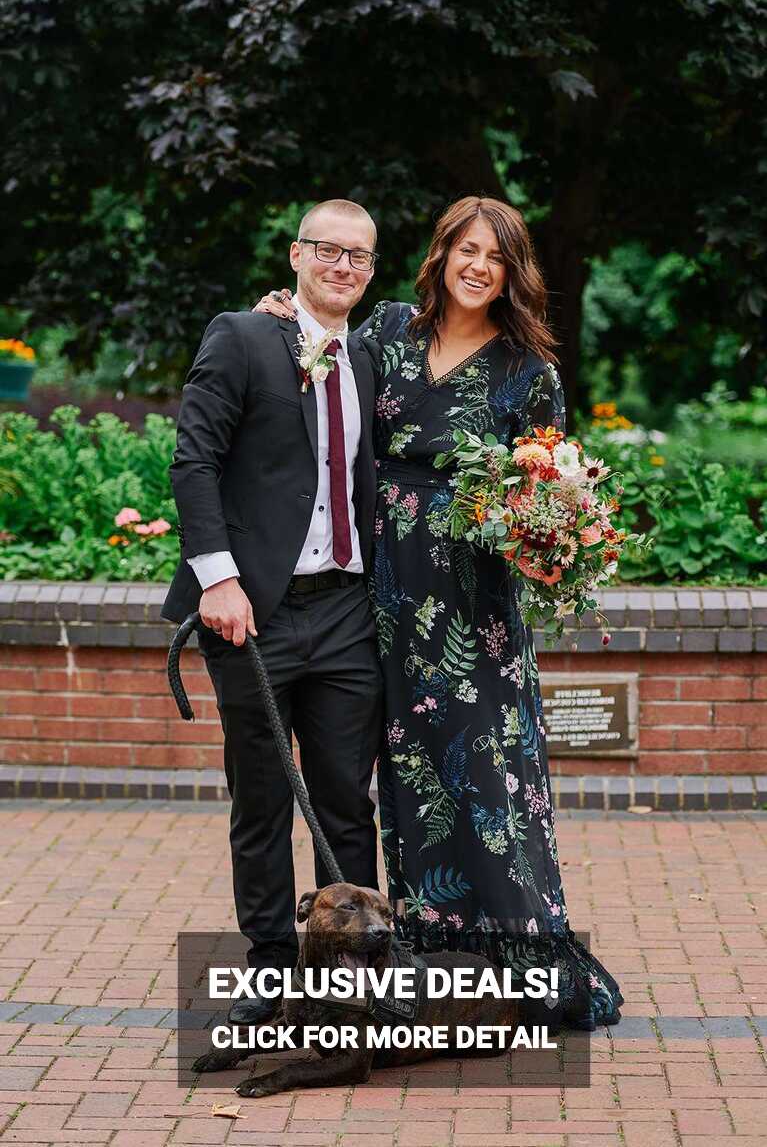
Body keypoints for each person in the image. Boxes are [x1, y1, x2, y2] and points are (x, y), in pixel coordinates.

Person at [256, 195, 623, 1031]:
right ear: (441, 255)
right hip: (376, 593)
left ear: (511, 271)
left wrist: (551, 541)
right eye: (464, 248)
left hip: (472, 609)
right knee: (406, 777)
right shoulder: (387, 330)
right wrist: (280, 312)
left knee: (485, 778)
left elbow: (547, 496)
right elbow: (315, 356)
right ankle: (425, 959)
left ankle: (514, 963)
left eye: (494, 256)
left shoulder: (528, 371)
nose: (476, 266)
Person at [162, 199, 384, 1025]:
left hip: (346, 612)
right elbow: (195, 459)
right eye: (328, 251)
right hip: (250, 612)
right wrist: (217, 579)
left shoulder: (370, 357)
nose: (342, 267)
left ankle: (348, 971)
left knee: (344, 799)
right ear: (296, 255)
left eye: (358, 258)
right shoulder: (242, 335)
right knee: (260, 799)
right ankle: (266, 965)